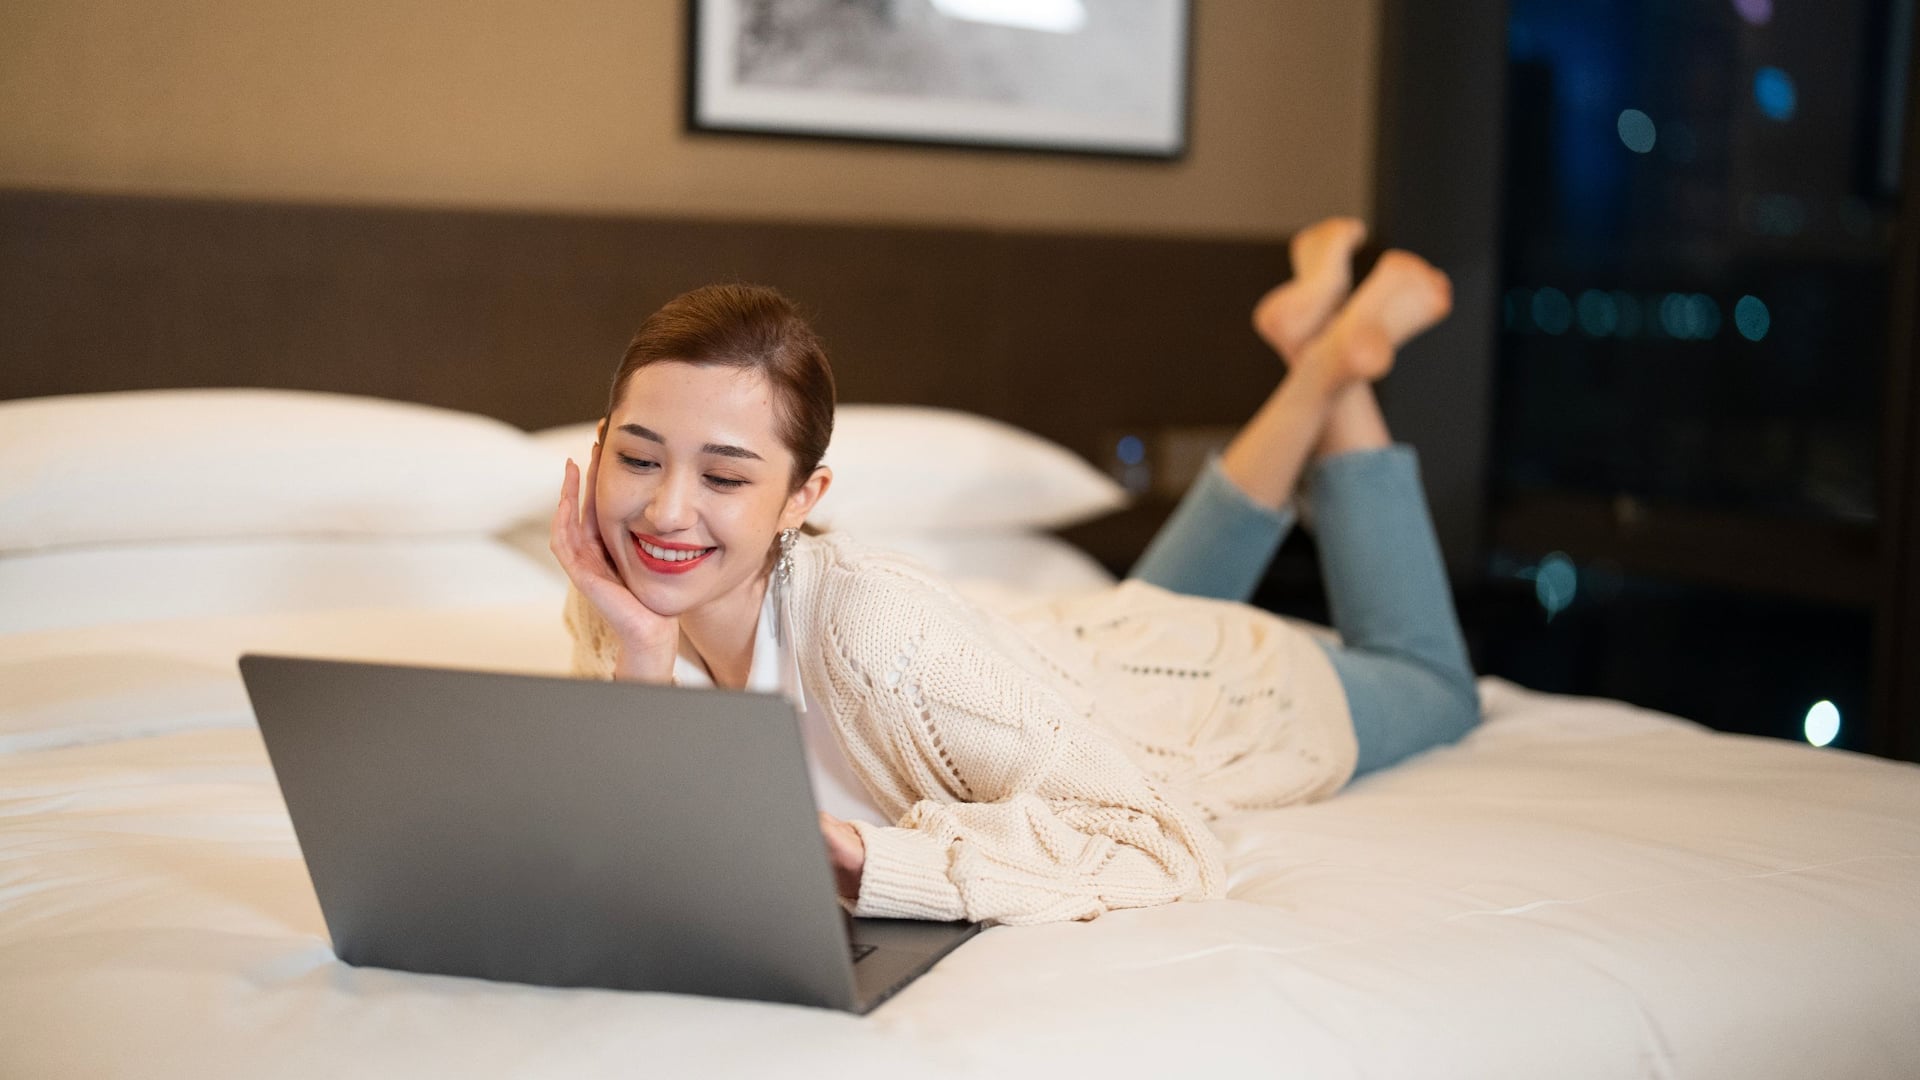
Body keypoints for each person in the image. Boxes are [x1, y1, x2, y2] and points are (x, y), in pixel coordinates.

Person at [550, 218, 1477, 926]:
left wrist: (875, 861)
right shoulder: (618, 599)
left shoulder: (874, 629)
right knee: (1148, 606)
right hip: (1086, 642)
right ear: (598, 448)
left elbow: (1164, 843)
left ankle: (1337, 368)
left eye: (723, 475)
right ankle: (1318, 353)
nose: (666, 511)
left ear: (802, 496)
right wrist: (639, 648)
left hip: (1199, 704)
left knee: (1434, 681)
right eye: (636, 459)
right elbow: (640, 842)